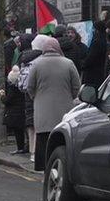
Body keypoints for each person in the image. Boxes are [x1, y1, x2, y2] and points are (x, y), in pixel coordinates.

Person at [27, 34, 81, 172]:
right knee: (62, 137)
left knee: (43, 138)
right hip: (64, 109)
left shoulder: (36, 64)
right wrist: (70, 96)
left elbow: (30, 87)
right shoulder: (68, 63)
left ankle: (43, 165)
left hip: (42, 109)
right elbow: (76, 86)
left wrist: (36, 97)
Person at [18, 35, 43, 164]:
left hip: (27, 94)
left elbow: (21, 83)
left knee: (30, 123)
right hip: (40, 94)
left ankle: (32, 151)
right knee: (40, 123)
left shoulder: (24, 59)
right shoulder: (41, 60)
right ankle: (38, 150)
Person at [80, 19, 108, 88]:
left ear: (97, 30)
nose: (92, 30)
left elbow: (91, 57)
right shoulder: (104, 39)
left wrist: (82, 64)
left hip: (93, 74)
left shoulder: (97, 42)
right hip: (99, 72)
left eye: (93, 28)